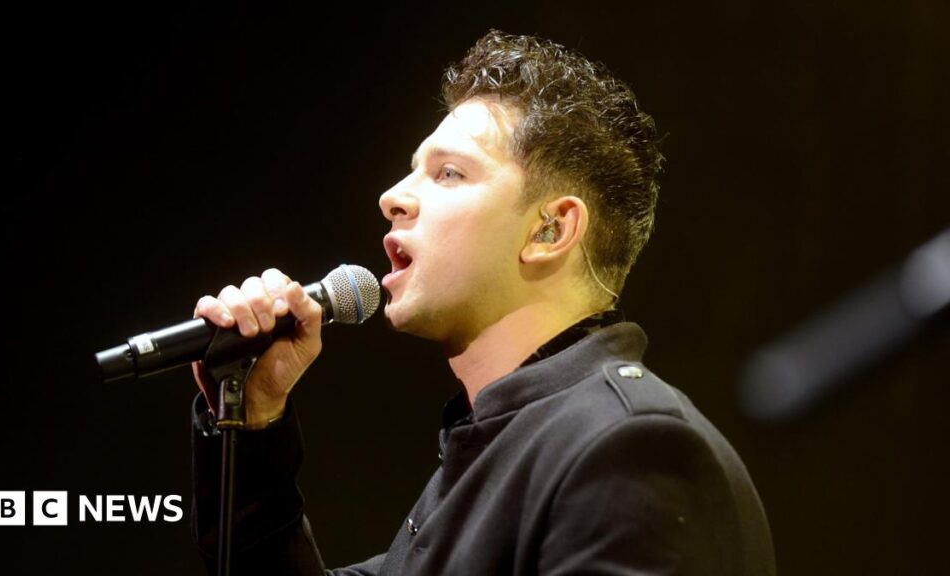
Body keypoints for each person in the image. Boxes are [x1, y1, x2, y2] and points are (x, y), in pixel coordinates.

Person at [189, 30, 777, 575]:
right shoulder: (494, 450)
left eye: (448, 174)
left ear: (550, 230)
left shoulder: (626, 448)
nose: (392, 197)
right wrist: (254, 421)